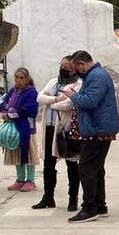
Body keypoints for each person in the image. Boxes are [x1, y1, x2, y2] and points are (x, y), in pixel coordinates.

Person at [58, 50, 119, 223]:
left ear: (82, 64)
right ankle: (100, 206)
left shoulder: (97, 76)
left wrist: (73, 95)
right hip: (97, 129)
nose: (74, 72)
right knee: (96, 169)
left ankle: (89, 208)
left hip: (96, 130)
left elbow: (90, 101)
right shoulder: (94, 75)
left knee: (86, 169)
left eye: (74, 68)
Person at [33, 56, 81, 211]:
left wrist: (52, 104)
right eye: (61, 65)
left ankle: (73, 199)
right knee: (48, 164)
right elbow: (39, 97)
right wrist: (55, 99)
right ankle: (48, 197)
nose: (63, 69)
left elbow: (69, 104)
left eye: (66, 66)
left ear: (73, 68)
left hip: (65, 129)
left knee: (71, 164)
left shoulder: (78, 84)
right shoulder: (54, 82)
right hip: (48, 127)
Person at [0, 68, 39, 192]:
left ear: (27, 79)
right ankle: (20, 180)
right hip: (14, 128)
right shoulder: (13, 91)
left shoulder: (31, 92)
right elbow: (4, 103)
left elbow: (30, 109)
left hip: (27, 128)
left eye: (21, 78)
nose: (18, 80)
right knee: (16, 153)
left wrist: (11, 114)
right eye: (16, 77)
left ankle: (31, 181)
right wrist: (4, 112)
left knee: (28, 154)